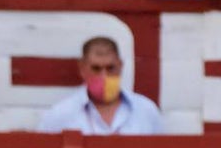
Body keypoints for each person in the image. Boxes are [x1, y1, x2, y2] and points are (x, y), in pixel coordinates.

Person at [37, 37, 165, 135]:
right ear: (82, 68)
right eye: (96, 68)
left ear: (120, 66)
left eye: (110, 68)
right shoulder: (60, 114)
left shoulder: (145, 110)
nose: (104, 76)